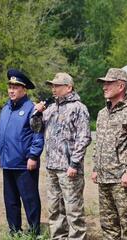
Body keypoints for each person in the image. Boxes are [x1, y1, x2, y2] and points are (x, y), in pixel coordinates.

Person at [31, 72, 91, 239]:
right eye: (52, 85)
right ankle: (58, 237)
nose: (53, 89)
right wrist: (37, 113)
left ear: (69, 87)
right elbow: (36, 128)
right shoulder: (50, 108)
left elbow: (84, 137)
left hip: (69, 169)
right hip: (52, 167)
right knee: (55, 209)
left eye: (57, 85)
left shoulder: (79, 108)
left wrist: (74, 163)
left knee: (73, 210)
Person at [91, 68, 127, 240]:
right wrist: (95, 167)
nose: (104, 87)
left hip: (122, 179)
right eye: (104, 84)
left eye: (108, 83)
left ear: (121, 86)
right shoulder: (102, 113)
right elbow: (98, 143)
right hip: (104, 176)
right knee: (108, 225)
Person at [0, 69, 44, 235]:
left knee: (30, 199)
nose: (11, 90)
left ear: (24, 90)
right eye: (10, 86)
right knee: (11, 200)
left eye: (15, 87)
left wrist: (33, 156)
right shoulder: (5, 109)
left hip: (25, 163)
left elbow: (38, 134)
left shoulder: (32, 109)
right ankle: (14, 230)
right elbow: (0, 132)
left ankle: (34, 232)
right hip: (8, 162)